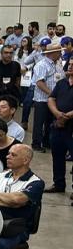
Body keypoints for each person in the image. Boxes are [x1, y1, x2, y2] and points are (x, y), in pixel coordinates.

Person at [47, 60, 73, 193]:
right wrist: (57, 114)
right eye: (70, 64)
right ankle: (58, 184)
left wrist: (68, 116)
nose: (70, 66)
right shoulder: (61, 83)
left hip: (71, 127)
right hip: (58, 125)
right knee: (57, 155)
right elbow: (51, 98)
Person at [31, 46, 64, 152]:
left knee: (49, 122)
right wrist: (52, 94)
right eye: (58, 52)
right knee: (39, 123)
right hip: (42, 99)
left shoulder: (57, 65)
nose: (60, 54)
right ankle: (36, 143)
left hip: (53, 101)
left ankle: (46, 142)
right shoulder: (41, 65)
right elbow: (40, 82)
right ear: (52, 53)